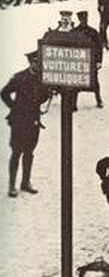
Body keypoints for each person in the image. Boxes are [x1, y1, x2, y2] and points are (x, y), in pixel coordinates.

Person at [2, 50, 50, 198]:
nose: (37, 64)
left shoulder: (43, 78)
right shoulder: (20, 77)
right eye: (35, 62)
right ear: (30, 62)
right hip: (18, 121)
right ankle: (11, 185)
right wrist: (15, 108)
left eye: (39, 62)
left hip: (33, 120)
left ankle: (25, 182)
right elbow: (4, 93)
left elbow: (43, 97)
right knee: (16, 152)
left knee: (29, 152)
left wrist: (47, 93)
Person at [72, 10, 104, 109]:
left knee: (94, 82)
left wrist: (99, 61)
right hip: (79, 62)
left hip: (91, 62)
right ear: (79, 19)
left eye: (85, 19)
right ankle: (73, 104)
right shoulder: (74, 32)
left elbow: (99, 47)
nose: (83, 21)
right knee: (76, 83)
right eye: (82, 19)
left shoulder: (93, 32)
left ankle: (99, 100)